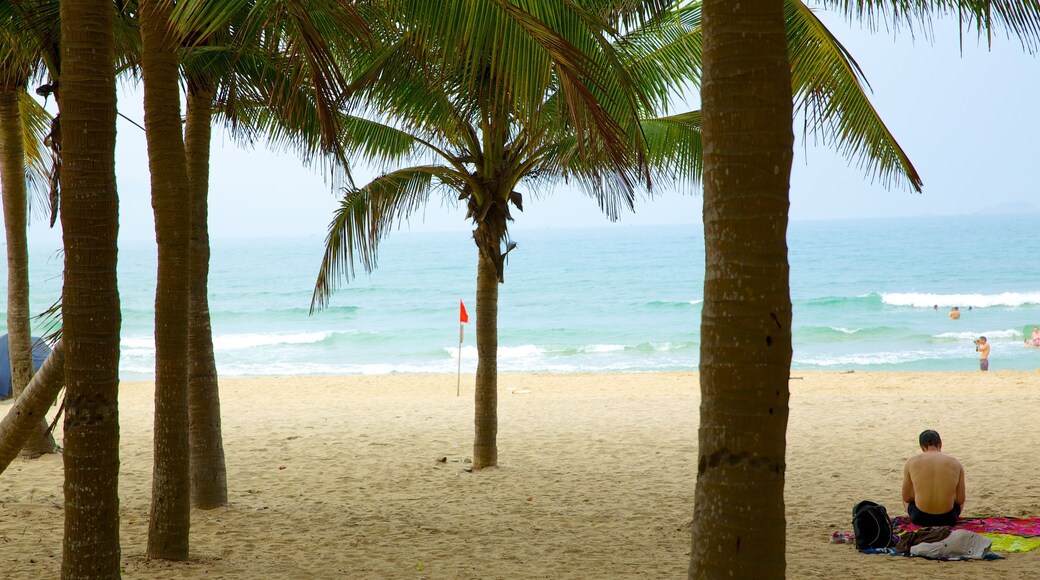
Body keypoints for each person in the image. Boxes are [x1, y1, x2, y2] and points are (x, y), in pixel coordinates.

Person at [902, 430, 966, 527]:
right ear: (940, 443)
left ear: (921, 446)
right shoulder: (956, 463)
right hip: (948, 519)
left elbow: (906, 497)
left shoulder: (911, 462)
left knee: (905, 500)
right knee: (958, 502)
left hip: (920, 518)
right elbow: (960, 500)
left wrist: (921, 495)